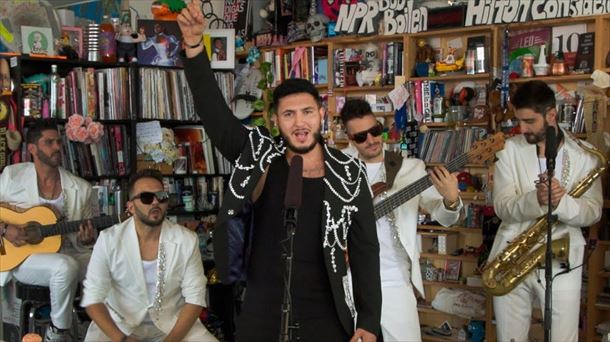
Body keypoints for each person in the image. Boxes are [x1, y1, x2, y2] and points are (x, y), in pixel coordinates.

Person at [177, 1, 381, 341]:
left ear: (321, 114)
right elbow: (214, 115)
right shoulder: (258, 156)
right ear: (274, 120)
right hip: (261, 312)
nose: (299, 123)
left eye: (307, 112)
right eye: (288, 115)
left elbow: (364, 251)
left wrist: (369, 322)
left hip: (326, 315)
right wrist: (196, 48)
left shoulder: (348, 172)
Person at [489, 80, 603, 341]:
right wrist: (536, 200)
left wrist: (562, 202)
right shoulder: (508, 151)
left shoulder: (586, 157)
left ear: (551, 115)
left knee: (562, 337)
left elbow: (593, 211)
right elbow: (502, 207)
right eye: (519, 120)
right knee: (510, 337)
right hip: (512, 255)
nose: (522, 128)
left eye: (529, 121)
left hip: (562, 259)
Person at [340, 99, 462, 341]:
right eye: (361, 137)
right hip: (349, 277)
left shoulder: (410, 169)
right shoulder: (337, 166)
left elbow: (443, 216)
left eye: (375, 131)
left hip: (394, 276)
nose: (372, 140)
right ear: (350, 139)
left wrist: (450, 199)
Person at [80, 169, 217, 342]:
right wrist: (122, 339)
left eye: (161, 196)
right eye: (146, 197)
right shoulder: (108, 240)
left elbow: (195, 298)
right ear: (130, 206)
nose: (155, 202)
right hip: (120, 328)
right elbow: (92, 298)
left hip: (173, 326)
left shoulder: (186, 240)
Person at [0, 119, 96, 342]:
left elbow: (83, 240)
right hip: (22, 257)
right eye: (49, 142)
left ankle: (107, 333)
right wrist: (5, 230)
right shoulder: (11, 177)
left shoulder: (81, 188)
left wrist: (87, 239)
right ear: (32, 148)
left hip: (68, 251)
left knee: (111, 264)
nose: (57, 148)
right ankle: (58, 332)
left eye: (59, 142)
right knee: (65, 267)